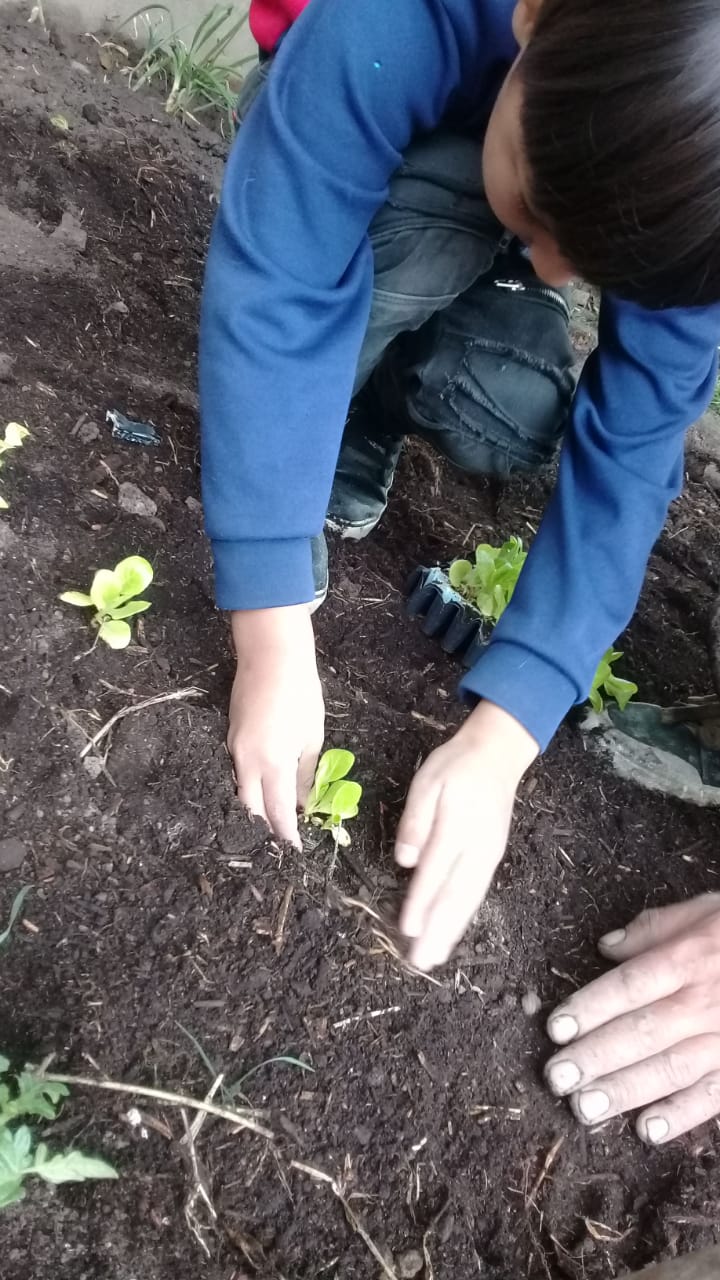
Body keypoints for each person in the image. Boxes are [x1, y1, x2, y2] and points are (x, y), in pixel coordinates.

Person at [199, 0, 720, 1143]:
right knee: (407, 246)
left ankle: (392, 380)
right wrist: (272, 630)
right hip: (362, 116)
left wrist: (509, 729)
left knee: (508, 401)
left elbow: (632, 456)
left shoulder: (693, 183)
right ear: (535, 20)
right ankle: (331, 415)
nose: (549, 264)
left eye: (581, 265)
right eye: (542, 215)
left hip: (527, 131)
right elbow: (279, 276)